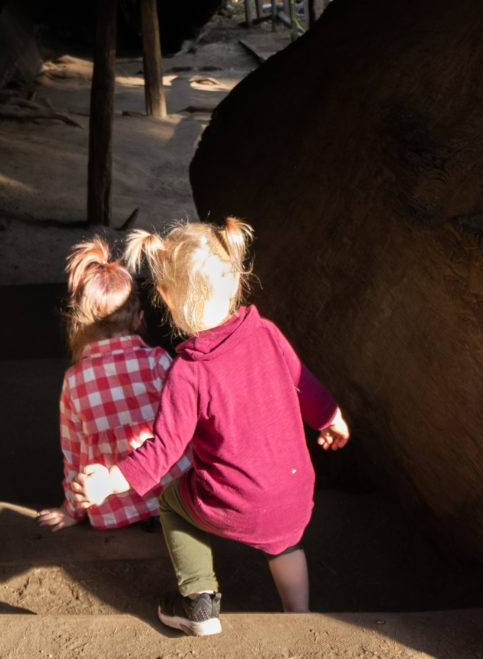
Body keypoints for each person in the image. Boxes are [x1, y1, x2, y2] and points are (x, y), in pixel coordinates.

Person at [70, 218, 349, 636]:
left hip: (235, 504)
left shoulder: (189, 372)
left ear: (164, 295)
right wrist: (331, 418)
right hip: (294, 492)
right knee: (285, 541)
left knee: (171, 503)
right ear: (236, 277)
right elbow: (303, 383)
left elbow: (164, 450)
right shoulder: (268, 333)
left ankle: (200, 605)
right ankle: (300, 616)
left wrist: (110, 480)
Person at [39, 233, 187, 533]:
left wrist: (71, 511)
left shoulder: (74, 380)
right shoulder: (159, 361)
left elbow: (73, 453)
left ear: (79, 323)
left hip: (112, 509)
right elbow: (188, 425)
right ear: (138, 318)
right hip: (176, 497)